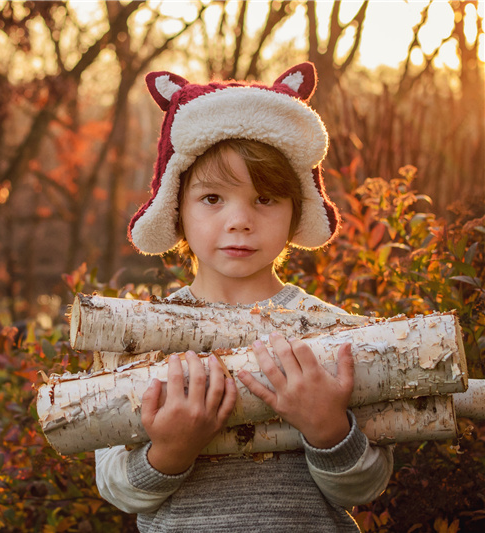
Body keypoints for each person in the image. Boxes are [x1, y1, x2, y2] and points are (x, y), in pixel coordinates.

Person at [95, 63, 394, 531]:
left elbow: (365, 488)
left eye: (266, 199)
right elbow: (115, 488)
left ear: (297, 212)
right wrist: (170, 450)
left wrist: (327, 428)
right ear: (176, 208)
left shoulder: (334, 333)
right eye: (213, 199)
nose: (240, 221)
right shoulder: (137, 338)